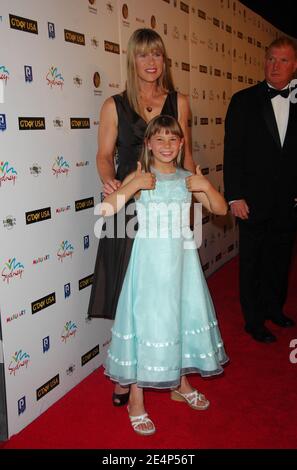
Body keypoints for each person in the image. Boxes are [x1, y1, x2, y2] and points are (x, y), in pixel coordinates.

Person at [99, 115, 229, 435]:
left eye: (173, 140)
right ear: (148, 144)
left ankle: (179, 383)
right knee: (149, 322)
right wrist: (131, 185)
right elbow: (107, 209)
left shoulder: (188, 178)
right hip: (149, 265)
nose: (167, 146)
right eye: (160, 139)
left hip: (182, 263)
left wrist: (206, 186)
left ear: (182, 143)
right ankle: (136, 398)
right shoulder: (142, 177)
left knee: (180, 318)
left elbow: (222, 210)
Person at [87, 28, 195, 406]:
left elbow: (187, 158)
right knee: (125, 291)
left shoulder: (178, 102)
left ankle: (166, 364)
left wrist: (192, 199)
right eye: (144, 56)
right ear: (132, 60)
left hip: (165, 208)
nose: (152, 63)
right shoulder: (114, 104)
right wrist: (109, 179)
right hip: (129, 205)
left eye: (158, 56)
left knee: (163, 294)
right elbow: (104, 154)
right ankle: (125, 372)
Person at [223, 36, 297, 343]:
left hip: (289, 200)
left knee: (280, 258)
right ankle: (253, 319)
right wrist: (234, 195)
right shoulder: (243, 100)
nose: (274, 65)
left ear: (294, 66)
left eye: (282, 60)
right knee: (252, 261)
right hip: (251, 200)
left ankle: (273, 309)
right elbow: (233, 152)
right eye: (270, 58)